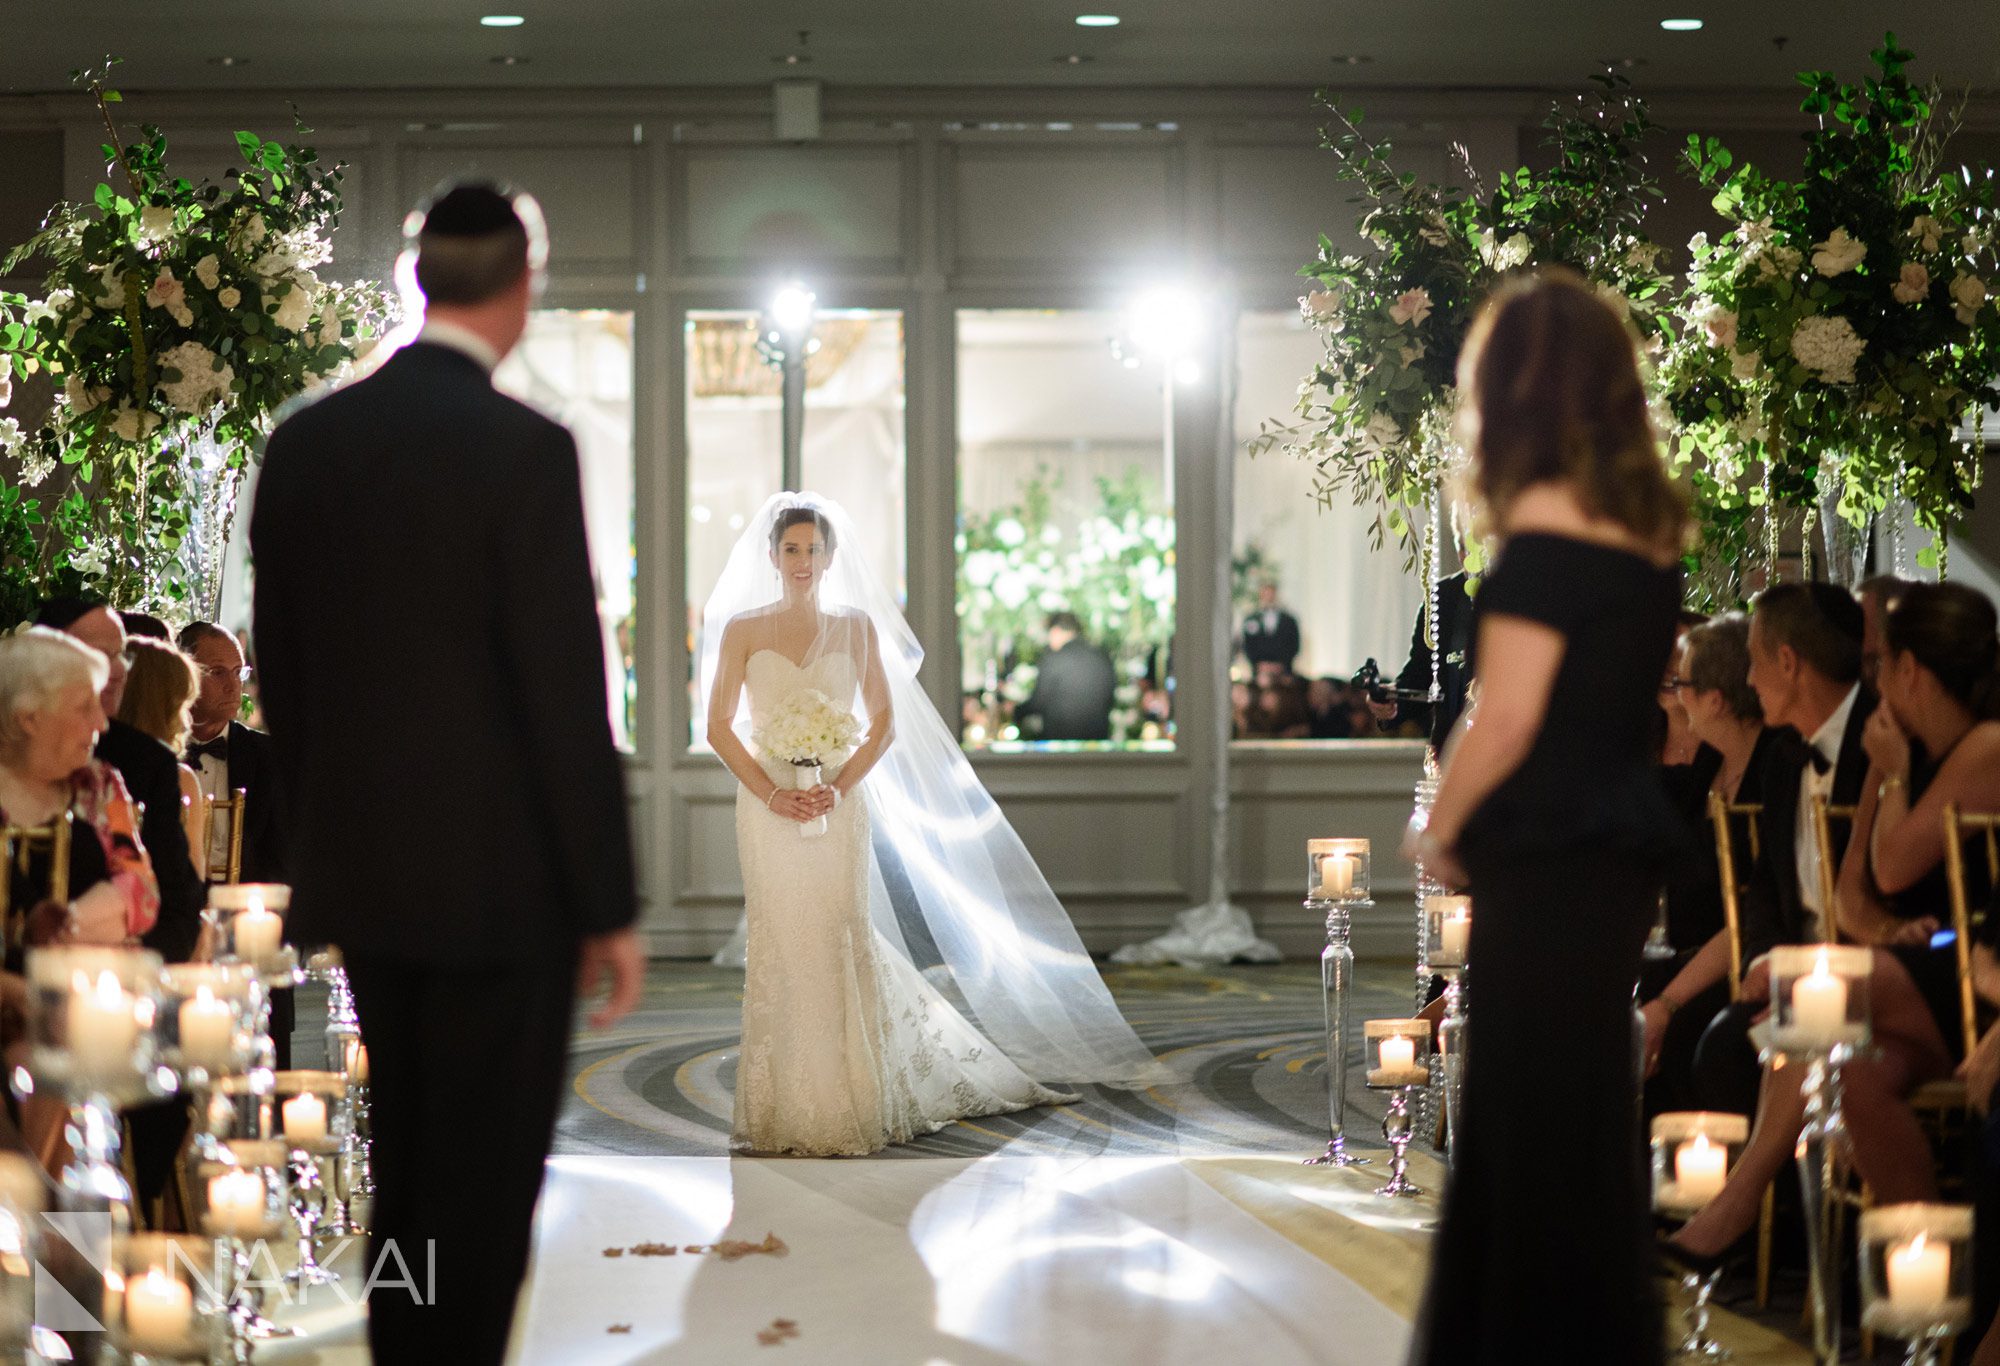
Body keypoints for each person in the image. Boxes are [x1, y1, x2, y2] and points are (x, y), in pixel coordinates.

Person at [249, 181, 644, 1366]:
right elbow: (561, 692)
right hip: (499, 896)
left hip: (367, 881)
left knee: (405, 1158)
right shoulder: (524, 449)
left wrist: (322, 850)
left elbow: (288, 678)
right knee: (482, 1184)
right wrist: (607, 906)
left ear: (417, 282)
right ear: (524, 285)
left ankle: (399, 1345)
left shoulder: (307, 443)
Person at [1401, 269, 1686, 1365]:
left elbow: (1507, 713)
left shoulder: (1538, 527)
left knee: (1526, 1115)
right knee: (1578, 1115)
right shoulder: (1642, 529)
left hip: (1547, 850)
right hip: (1614, 851)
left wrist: (1437, 823)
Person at [698, 494, 1164, 1156]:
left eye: (814, 550)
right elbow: (719, 727)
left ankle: (845, 1101)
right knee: (780, 943)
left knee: (837, 935)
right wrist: (774, 794)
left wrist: (836, 785)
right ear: (772, 556)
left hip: (837, 804)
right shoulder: (743, 628)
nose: (802, 562)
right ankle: (780, 1109)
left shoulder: (856, 627)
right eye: (791, 549)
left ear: (832, 557)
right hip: (768, 810)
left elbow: (883, 724)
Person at [1668, 583, 2000, 1270]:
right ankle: (1929, 1274)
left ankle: (1735, 1207)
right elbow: (1855, 885)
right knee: (1850, 1077)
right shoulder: (1903, 752)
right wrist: (1893, 774)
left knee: (1805, 1001)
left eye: (1879, 664)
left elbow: (1900, 866)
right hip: (1929, 971)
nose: (1871, 680)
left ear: (1908, 670)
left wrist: (1889, 772)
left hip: (1968, 971)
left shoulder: (1984, 747)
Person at [1686, 583, 1875, 1117]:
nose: (1747, 680)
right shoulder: (1785, 759)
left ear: (1788, 663)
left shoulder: (1879, 742)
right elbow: (1768, 885)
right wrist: (1767, 958)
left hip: (1865, 972)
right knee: (1718, 1046)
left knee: (1731, 1053)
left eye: (1753, 662)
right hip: (1799, 975)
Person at [0, 629, 160, 1181]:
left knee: (50, 1058)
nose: (101, 723)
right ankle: (44, 1235)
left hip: (74, 1003)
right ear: (29, 718)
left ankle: (33, 1225)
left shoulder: (97, 786)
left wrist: (70, 924)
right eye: (84, 706)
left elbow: (141, 894)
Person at [1641, 613, 1776, 1115]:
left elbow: (1750, 908)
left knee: (1678, 1032)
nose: (1675, 689)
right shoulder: (1711, 767)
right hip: (1688, 952)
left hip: (1740, 958)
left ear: (1716, 700)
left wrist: (1667, 1004)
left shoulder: (1772, 767)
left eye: (1685, 682)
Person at [32, 599, 203, 964]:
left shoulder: (144, 763)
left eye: (120, 654)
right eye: (97, 655)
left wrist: (123, 962)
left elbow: (180, 909)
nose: (118, 670)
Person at [114, 638, 206, 880]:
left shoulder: (84, 766)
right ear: (162, 708)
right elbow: (191, 880)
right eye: (182, 707)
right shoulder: (177, 779)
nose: (187, 722)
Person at [1371, 570, 1474, 753]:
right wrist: (1390, 699)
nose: (1465, 549)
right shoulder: (1442, 597)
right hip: (1449, 751)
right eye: (1459, 542)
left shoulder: (1518, 591)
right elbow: (1421, 675)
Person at [1013, 611, 1116, 742]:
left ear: (1055, 631)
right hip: (1097, 743)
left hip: (1059, 745)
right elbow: (1111, 698)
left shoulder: (1054, 658)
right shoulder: (1102, 656)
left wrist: (1015, 711)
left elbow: (1038, 702)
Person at [1239, 581, 1301, 677]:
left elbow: (1294, 644)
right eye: (1265, 593)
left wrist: (1280, 664)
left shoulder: (1289, 620)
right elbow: (1247, 644)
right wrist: (1261, 664)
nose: (1269, 597)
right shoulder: (1251, 619)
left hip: (1283, 671)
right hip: (1259, 671)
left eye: (1271, 593)